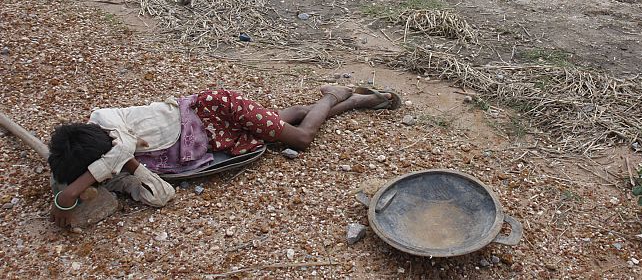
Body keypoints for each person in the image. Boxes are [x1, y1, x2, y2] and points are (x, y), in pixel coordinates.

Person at [47, 85, 400, 227]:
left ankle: (335, 96)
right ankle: (356, 101)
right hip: (211, 138)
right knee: (280, 124)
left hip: (215, 108)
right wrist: (118, 172)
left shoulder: (105, 122)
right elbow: (162, 194)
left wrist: (71, 192)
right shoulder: (112, 159)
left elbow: (120, 148)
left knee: (302, 138)